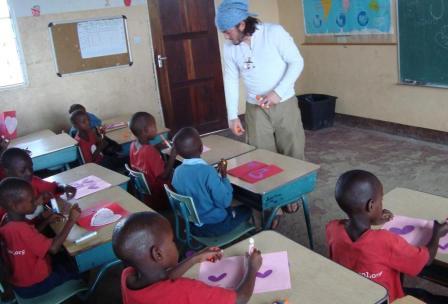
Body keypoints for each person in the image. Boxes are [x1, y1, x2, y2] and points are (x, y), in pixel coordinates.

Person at [215, 0, 304, 214]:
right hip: (255, 110)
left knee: (292, 151)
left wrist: (277, 93)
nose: (225, 36)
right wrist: (232, 115)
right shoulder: (230, 48)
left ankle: (293, 195)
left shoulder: (274, 33)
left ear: (242, 24)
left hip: (285, 104)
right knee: (262, 158)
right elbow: (230, 79)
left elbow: (296, 62)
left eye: (227, 31)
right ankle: (272, 205)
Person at [327, 169, 448, 303]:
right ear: (371, 205)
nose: (382, 203)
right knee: (425, 295)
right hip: (388, 300)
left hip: (357, 296)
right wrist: (437, 232)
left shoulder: (332, 229)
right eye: (381, 199)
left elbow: (350, 224)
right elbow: (426, 260)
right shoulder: (384, 241)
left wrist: (373, 218)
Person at [112, 211, 262, 304]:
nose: (174, 243)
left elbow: (164, 277)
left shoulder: (128, 276)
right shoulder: (185, 291)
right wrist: (252, 268)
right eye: (172, 241)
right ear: (158, 254)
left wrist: (195, 258)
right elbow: (240, 298)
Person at [0, 178, 81, 298]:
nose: (37, 202)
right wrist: (71, 220)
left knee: (64, 257)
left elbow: (27, 239)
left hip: (20, 282)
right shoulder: (22, 229)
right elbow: (53, 248)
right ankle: (84, 292)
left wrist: (47, 220)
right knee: (78, 267)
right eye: (32, 200)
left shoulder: (7, 220)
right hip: (35, 285)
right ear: (15, 206)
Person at [172, 127, 252, 236]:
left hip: (191, 224)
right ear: (201, 148)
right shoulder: (208, 172)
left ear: (178, 153)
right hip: (215, 225)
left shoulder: (177, 172)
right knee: (247, 209)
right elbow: (225, 201)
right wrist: (223, 175)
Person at [0, 148, 77, 221]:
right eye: (22, 171)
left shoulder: (32, 181)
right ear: (6, 171)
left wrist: (64, 187)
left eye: (31, 167)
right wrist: (36, 204)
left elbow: (54, 187)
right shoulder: (4, 197)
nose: (29, 173)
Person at [129, 112, 176, 211]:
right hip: (160, 194)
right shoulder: (149, 151)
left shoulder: (133, 145)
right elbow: (164, 176)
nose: (156, 130)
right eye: (154, 127)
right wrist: (173, 155)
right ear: (145, 130)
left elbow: (143, 159)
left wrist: (156, 147)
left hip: (146, 193)